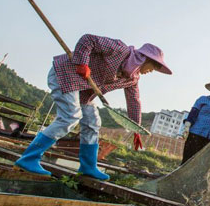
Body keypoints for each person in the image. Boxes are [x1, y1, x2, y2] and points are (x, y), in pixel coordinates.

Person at [14, 34, 172, 180]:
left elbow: (134, 101)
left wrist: (136, 128)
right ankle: (29, 158)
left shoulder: (132, 78)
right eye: (154, 66)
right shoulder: (120, 49)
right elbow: (88, 40)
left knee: (93, 122)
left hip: (84, 91)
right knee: (71, 116)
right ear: (144, 58)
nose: (153, 71)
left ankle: (88, 167)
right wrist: (82, 62)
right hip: (67, 74)